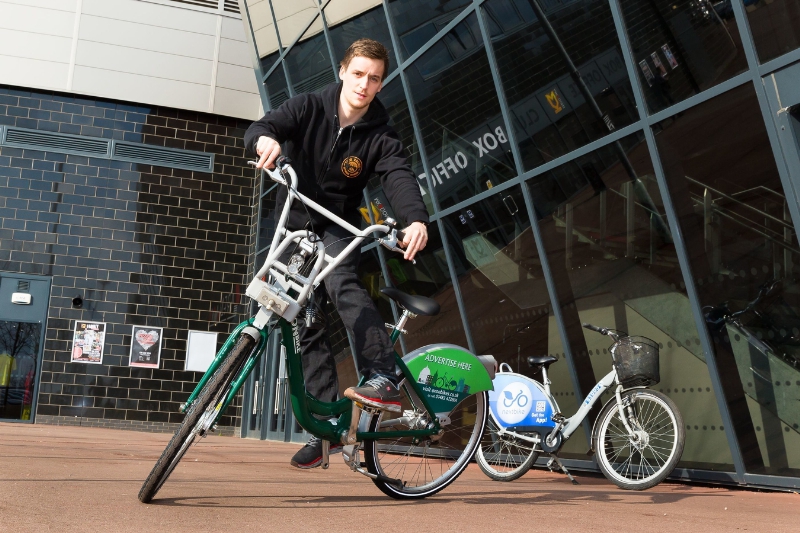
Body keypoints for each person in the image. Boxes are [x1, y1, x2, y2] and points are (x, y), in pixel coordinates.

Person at [244, 39, 430, 469]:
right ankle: (325, 428)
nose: (365, 84)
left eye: (375, 78)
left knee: (342, 283)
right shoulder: (308, 106)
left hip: (335, 225)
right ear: (344, 70)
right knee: (302, 321)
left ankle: (384, 374)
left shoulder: (380, 135)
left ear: (381, 84)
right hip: (295, 218)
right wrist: (266, 143)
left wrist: (416, 219)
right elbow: (261, 127)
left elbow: (398, 176)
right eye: (359, 73)